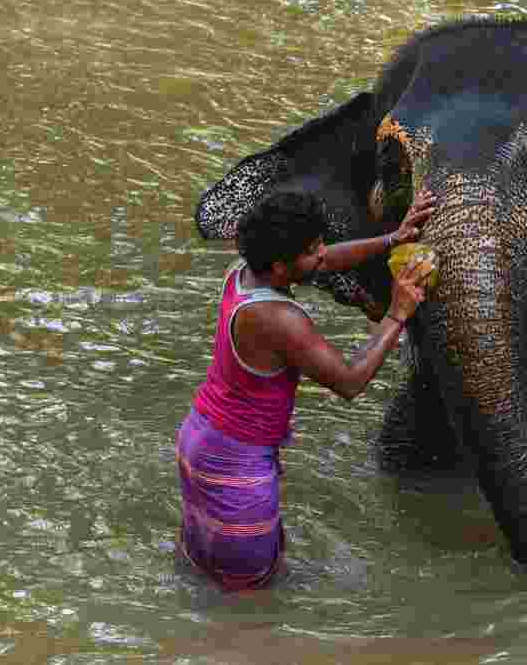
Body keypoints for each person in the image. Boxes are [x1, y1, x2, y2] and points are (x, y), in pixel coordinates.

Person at [176, 188, 436, 591]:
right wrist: (397, 313)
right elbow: (350, 381)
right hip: (236, 465)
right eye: (312, 250)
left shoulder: (245, 271)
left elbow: (328, 259)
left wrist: (393, 240)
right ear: (281, 268)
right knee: (250, 601)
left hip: (203, 439)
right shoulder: (279, 320)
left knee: (206, 572)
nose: (322, 255)